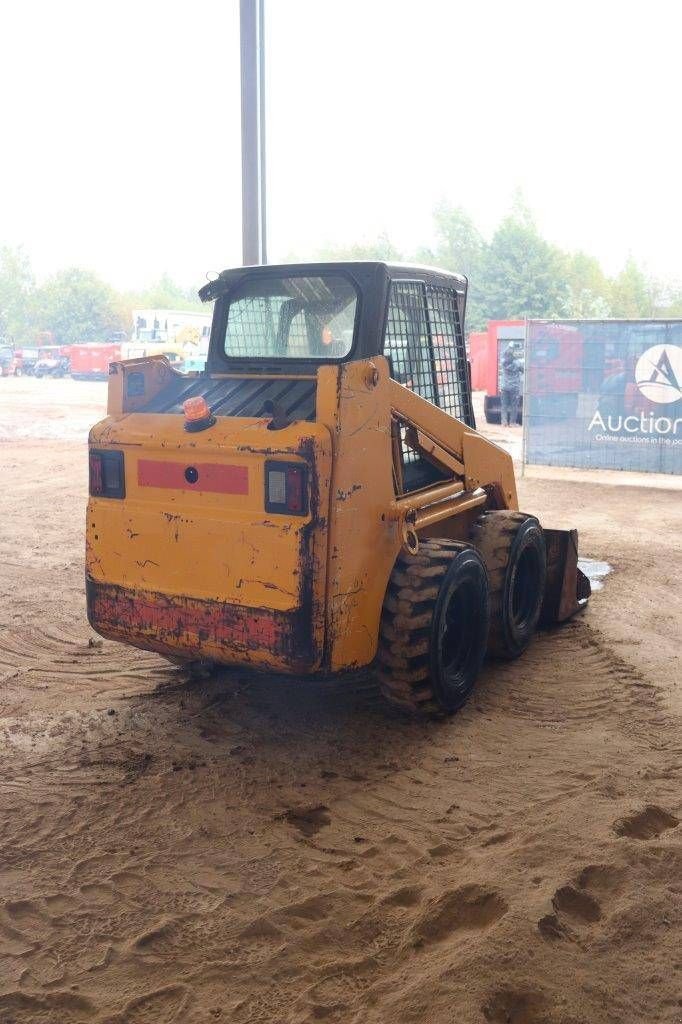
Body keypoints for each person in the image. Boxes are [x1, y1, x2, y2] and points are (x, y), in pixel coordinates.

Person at [500, 345, 522, 426]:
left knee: (504, 405)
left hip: (504, 387)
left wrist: (509, 347)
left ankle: (504, 422)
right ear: (513, 356)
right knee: (514, 406)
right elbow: (523, 370)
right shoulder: (517, 364)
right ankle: (512, 422)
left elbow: (503, 354)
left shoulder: (503, 363)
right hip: (514, 388)